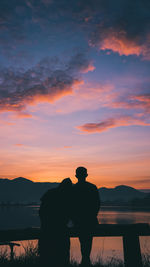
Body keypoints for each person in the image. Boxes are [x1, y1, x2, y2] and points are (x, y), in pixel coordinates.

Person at [39, 178, 72, 267]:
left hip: (46, 230)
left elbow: (41, 212)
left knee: (46, 257)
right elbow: (70, 213)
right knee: (62, 257)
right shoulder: (67, 196)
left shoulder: (50, 192)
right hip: (61, 231)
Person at [72, 167, 100, 266]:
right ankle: (86, 260)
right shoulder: (92, 187)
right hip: (91, 221)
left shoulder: (73, 189)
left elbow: (71, 206)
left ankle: (85, 260)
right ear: (86, 175)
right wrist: (93, 216)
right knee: (87, 242)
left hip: (78, 222)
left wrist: (74, 219)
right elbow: (97, 204)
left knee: (83, 242)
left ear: (76, 176)